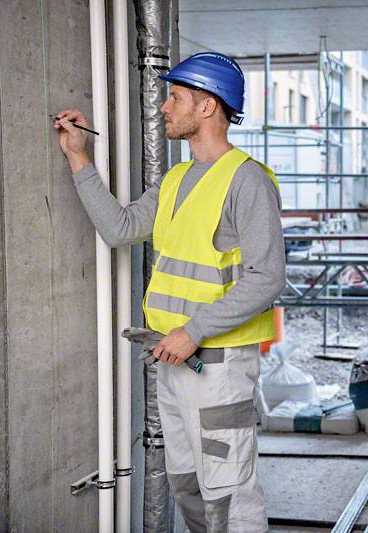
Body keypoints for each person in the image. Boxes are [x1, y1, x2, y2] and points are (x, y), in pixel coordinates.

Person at [54, 52, 285, 532]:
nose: (163, 108)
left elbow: (267, 278)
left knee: (229, 495)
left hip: (217, 365)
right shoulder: (176, 179)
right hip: (175, 359)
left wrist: (194, 331)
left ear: (206, 107)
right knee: (189, 489)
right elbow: (120, 229)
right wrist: (78, 155)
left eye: (175, 98)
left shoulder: (247, 180)